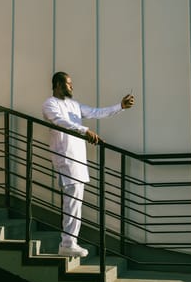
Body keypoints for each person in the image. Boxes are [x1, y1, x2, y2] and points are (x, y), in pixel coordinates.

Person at [42, 71, 135, 257]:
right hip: (66, 159)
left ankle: (69, 242)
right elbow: (61, 122)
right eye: (69, 84)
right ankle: (67, 243)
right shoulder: (50, 104)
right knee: (71, 203)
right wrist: (85, 130)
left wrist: (120, 106)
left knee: (75, 202)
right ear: (58, 85)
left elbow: (95, 112)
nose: (72, 86)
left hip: (78, 160)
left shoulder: (74, 105)